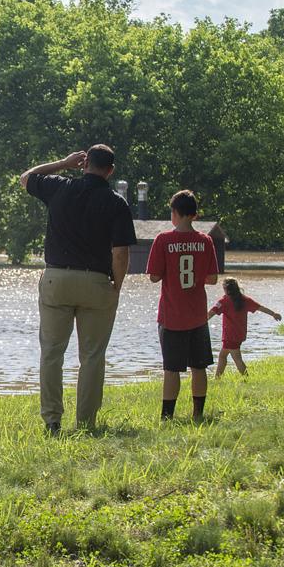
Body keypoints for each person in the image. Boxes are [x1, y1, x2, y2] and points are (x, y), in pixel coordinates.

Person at [21, 145, 137, 435]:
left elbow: (26, 178)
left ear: (84, 164)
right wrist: (117, 286)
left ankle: (52, 420)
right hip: (96, 281)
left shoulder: (59, 188)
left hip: (56, 279)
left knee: (51, 353)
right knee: (92, 356)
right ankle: (85, 423)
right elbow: (120, 253)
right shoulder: (116, 203)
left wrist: (62, 162)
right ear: (110, 171)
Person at [146, 189, 218, 422]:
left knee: (172, 369)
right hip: (197, 315)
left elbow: (154, 276)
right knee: (199, 366)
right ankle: (198, 413)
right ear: (195, 215)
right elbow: (213, 278)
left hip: (171, 315)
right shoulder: (205, 241)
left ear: (175, 213)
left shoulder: (163, 240)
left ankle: (167, 416)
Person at [208, 277, 282, 378]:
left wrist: (200, 323)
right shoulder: (245, 299)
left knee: (237, 359)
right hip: (239, 334)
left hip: (230, 335)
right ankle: (217, 378)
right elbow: (260, 308)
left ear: (226, 289)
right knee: (222, 356)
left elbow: (211, 313)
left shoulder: (224, 301)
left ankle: (247, 378)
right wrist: (273, 314)